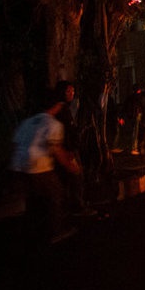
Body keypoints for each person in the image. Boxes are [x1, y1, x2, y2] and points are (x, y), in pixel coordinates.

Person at [9, 87, 83, 244]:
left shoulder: (27, 122)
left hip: (18, 166)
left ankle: (30, 231)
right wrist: (70, 166)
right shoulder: (53, 124)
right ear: (56, 106)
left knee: (31, 198)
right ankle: (56, 231)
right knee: (56, 193)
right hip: (37, 167)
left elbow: (15, 145)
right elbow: (56, 150)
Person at [53, 80, 94, 217]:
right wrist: (71, 147)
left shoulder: (66, 107)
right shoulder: (61, 108)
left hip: (66, 148)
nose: (71, 93)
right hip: (68, 149)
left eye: (73, 91)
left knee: (69, 178)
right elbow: (66, 130)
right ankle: (77, 206)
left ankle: (68, 206)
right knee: (77, 176)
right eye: (68, 91)